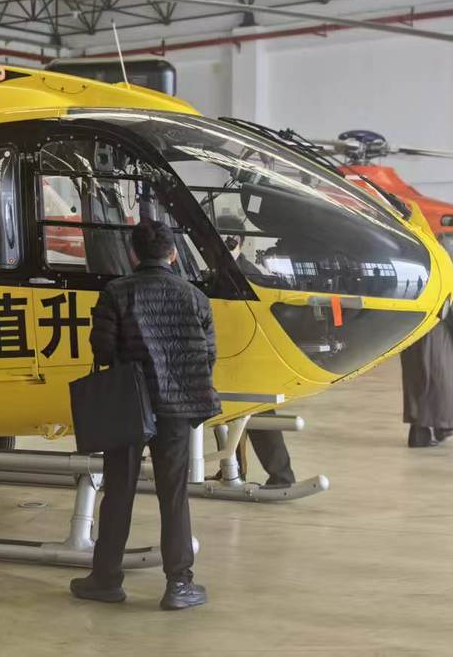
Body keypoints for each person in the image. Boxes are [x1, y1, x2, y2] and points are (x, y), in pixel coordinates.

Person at [70, 219, 220, 611]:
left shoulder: (116, 292)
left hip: (128, 406)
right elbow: (208, 355)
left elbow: (102, 350)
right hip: (177, 408)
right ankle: (179, 585)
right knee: (174, 496)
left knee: (118, 492)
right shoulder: (195, 297)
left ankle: (105, 580)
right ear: (173, 254)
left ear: (132, 253)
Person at [223, 220, 296, 487]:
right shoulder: (222, 271)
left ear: (240, 243)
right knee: (230, 419)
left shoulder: (251, 276)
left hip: (251, 359)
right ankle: (232, 469)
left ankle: (282, 476)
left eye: (229, 242)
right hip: (231, 356)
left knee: (260, 418)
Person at [401, 299, 453, 447]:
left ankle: (422, 433)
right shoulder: (440, 284)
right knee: (440, 385)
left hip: (410, 336)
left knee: (418, 384)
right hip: (435, 337)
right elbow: (450, 306)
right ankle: (438, 429)